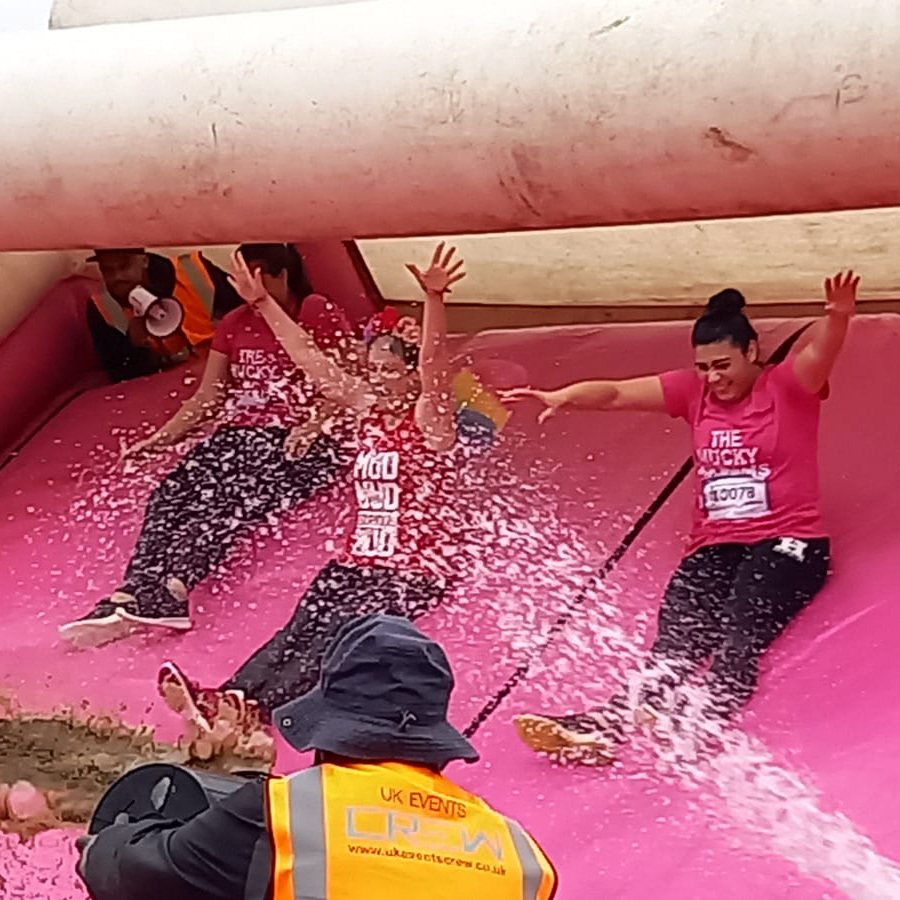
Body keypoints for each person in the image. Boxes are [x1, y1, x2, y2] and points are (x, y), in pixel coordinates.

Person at [506, 272, 860, 765]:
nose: (713, 377)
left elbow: (821, 354)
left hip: (789, 543)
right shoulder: (692, 393)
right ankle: (600, 729)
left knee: (741, 625)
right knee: (675, 644)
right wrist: (563, 396)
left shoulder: (788, 386)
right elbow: (615, 394)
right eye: (703, 367)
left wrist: (838, 317)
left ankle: (700, 717)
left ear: (752, 351)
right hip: (715, 545)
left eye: (723, 364)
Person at [155, 243, 476, 759]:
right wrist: (263, 305)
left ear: (411, 376)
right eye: (371, 369)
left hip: (412, 569)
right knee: (300, 626)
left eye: (389, 370)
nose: (377, 378)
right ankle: (230, 698)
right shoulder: (366, 412)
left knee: (336, 631)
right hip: (356, 559)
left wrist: (433, 299)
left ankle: (247, 709)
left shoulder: (429, 424)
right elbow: (310, 357)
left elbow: (436, 365)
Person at [75, 614, 558, 900]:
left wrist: (106, 839)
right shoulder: (524, 857)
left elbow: (132, 876)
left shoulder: (282, 814)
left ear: (330, 730)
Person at [59, 243, 354, 648]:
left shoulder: (315, 310)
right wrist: (159, 440)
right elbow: (208, 397)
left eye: (257, 278)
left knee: (225, 499)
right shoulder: (234, 321)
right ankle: (131, 595)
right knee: (171, 493)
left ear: (282, 276)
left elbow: (343, 383)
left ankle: (174, 589)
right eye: (240, 280)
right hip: (243, 433)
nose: (248, 289)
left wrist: (313, 424)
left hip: (300, 440)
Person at [86, 247, 243, 382]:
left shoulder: (194, 271)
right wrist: (135, 347)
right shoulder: (102, 309)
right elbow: (120, 376)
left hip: (223, 367)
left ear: (144, 261)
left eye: (124, 266)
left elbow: (245, 310)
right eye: (107, 270)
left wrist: (226, 328)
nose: (117, 277)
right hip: (165, 385)